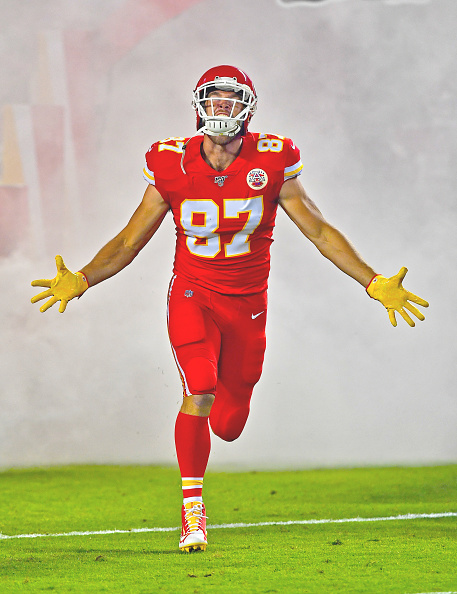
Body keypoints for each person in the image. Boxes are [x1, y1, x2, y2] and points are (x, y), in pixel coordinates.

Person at [31, 65, 429, 552]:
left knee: (229, 423)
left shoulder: (273, 160)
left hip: (248, 305)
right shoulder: (171, 162)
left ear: (248, 108)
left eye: (231, 98)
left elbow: (320, 230)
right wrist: (85, 277)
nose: (221, 106)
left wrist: (371, 280)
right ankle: (192, 511)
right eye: (214, 98)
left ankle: (226, 407)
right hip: (193, 294)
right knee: (199, 387)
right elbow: (131, 239)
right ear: (199, 105)